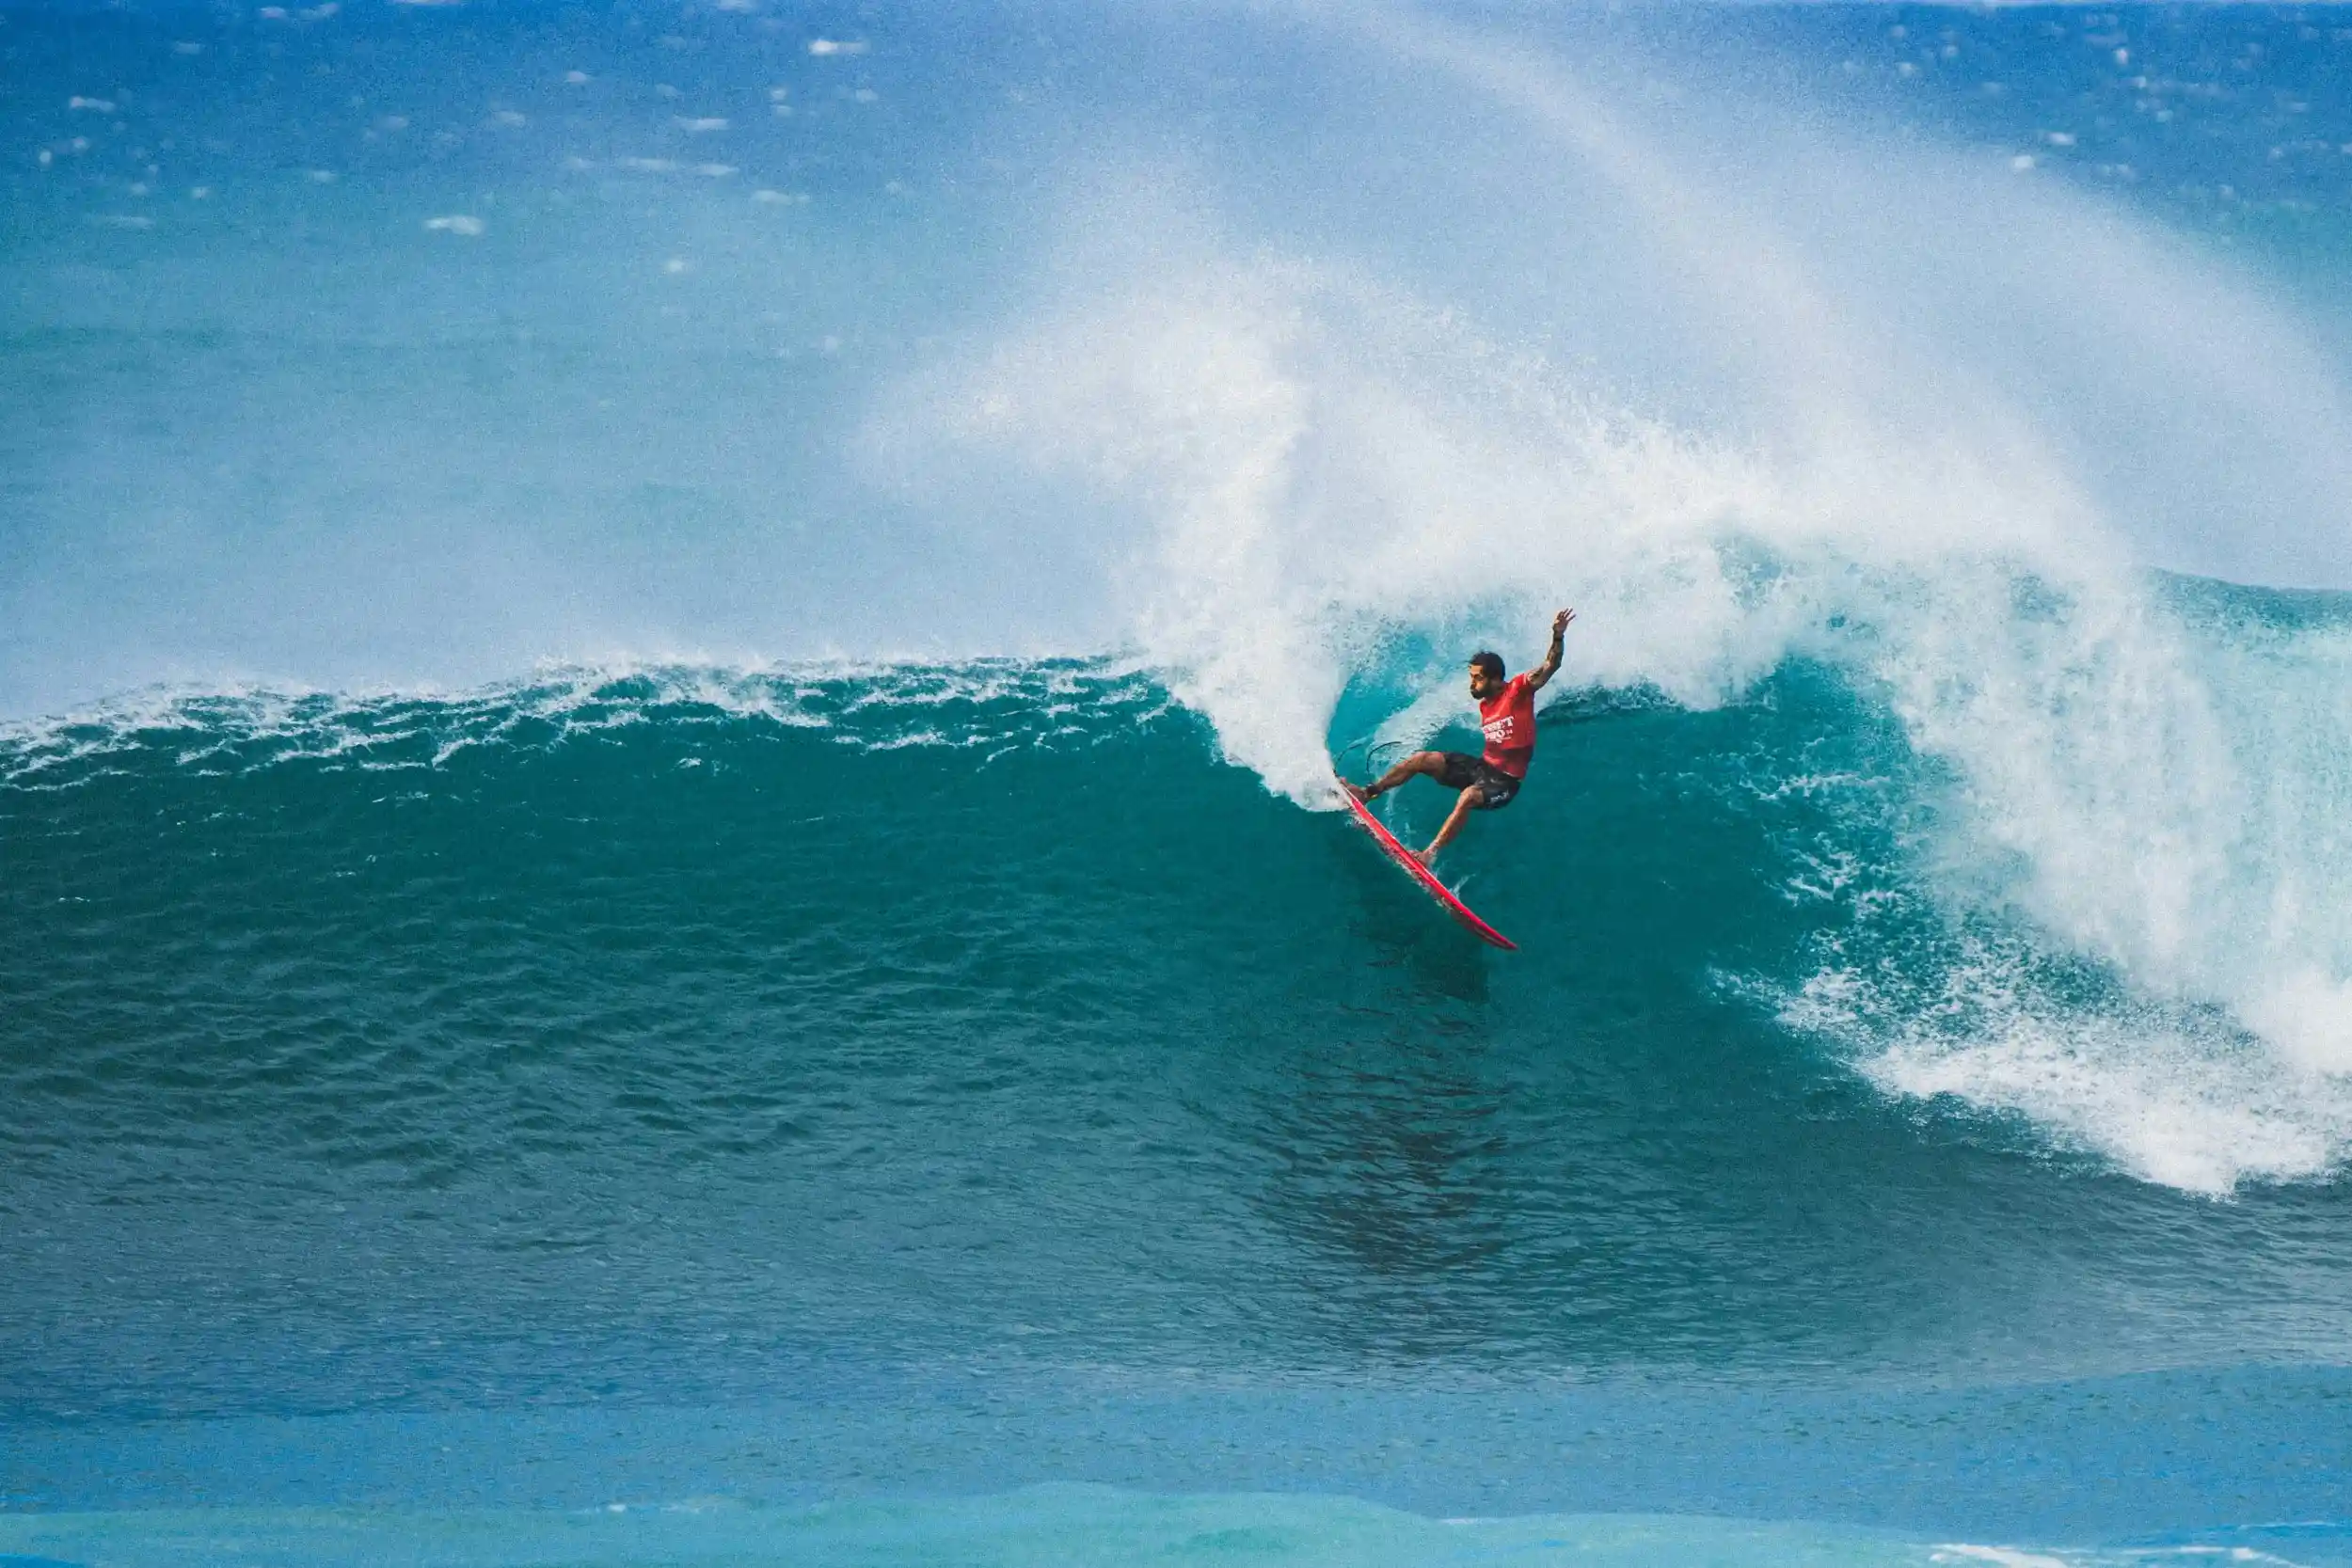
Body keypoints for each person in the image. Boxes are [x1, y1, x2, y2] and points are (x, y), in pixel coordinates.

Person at [1343, 609, 1575, 864]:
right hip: (1482, 768)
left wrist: (1557, 636)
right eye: (1471, 677)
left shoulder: (1519, 690)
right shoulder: (1485, 705)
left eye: (1477, 678)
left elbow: (1550, 665)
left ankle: (1428, 856)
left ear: (1496, 679)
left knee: (1468, 797)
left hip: (1505, 784)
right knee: (1422, 759)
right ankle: (1368, 793)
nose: (1472, 683)